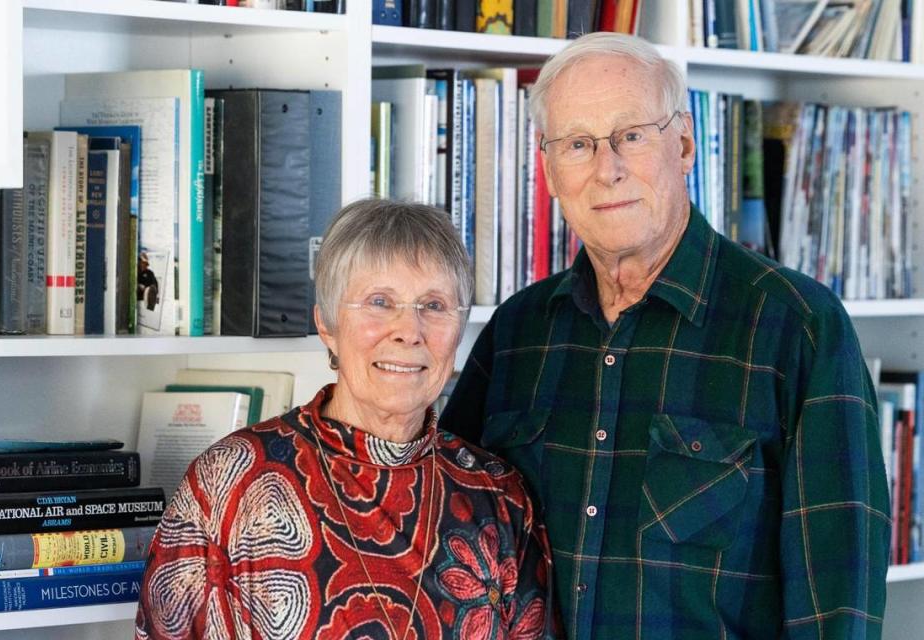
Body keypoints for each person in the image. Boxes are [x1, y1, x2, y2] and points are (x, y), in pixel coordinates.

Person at [441, 32, 890, 639]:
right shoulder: (516, 336)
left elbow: (838, 606)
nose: (608, 169)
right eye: (578, 144)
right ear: (549, 170)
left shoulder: (796, 327)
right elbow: (446, 534)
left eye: (631, 135)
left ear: (682, 143)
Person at [135, 199, 554, 639]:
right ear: (327, 325)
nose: (409, 331)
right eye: (379, 301)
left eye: (433, 305)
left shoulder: (496, 494)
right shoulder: (228, 480)